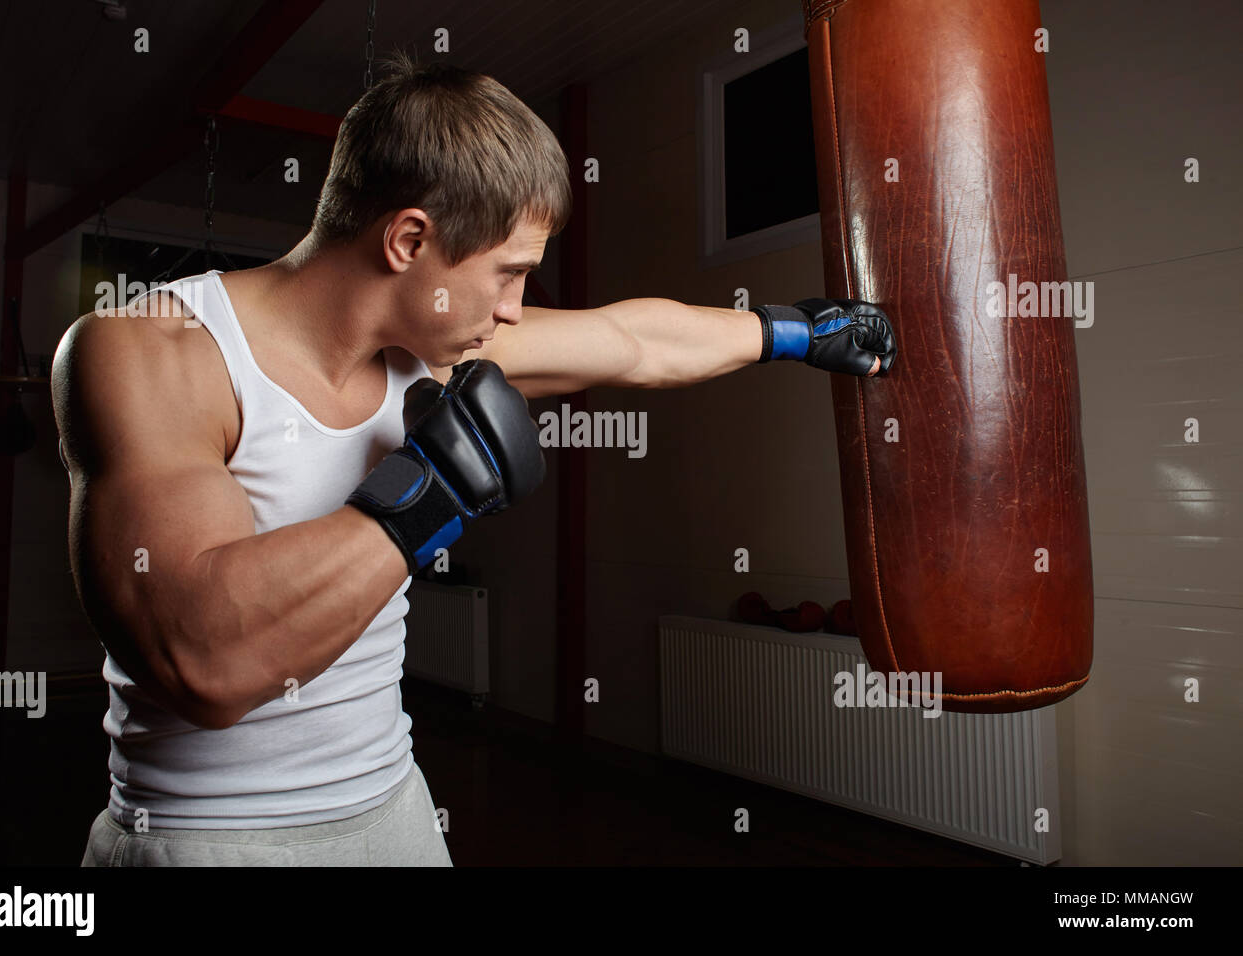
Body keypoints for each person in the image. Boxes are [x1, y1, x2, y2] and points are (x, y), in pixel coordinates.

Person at [55, 51, 896, 867]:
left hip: (392, 808)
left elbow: (632, 340)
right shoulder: (153, 353)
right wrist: (429, 494)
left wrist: (803, 332)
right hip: (210, 837)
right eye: (507, 275)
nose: (515, 311)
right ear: (410, 240)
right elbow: (201, 664)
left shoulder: (432, 349)